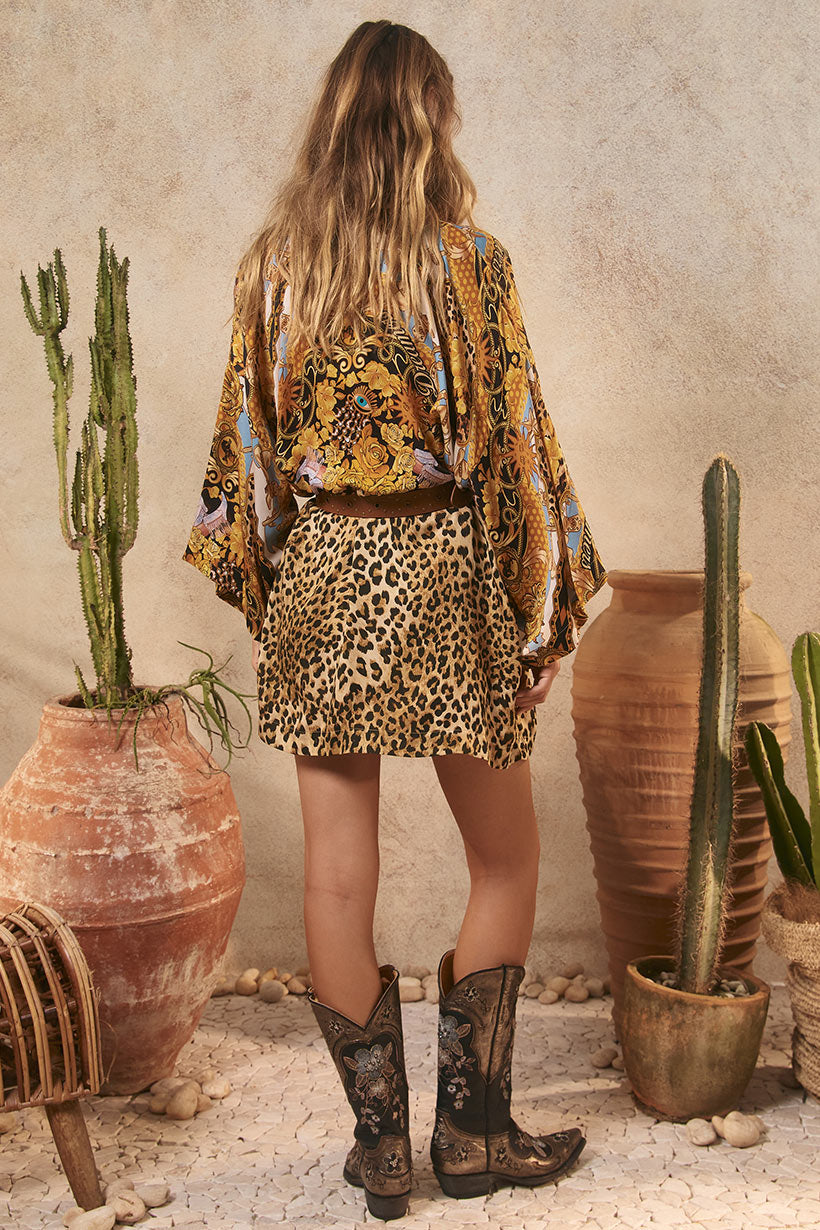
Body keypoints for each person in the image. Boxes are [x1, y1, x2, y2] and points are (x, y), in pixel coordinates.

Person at [182, 19, 608, 1222]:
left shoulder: (276, 269)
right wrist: (540, 614)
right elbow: (515, 445)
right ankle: (472, 1136)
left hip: (325, 573)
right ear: (431, 121)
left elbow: (248, 452)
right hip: (444, 568)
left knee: (333, 877)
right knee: (505, 856)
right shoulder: (470, 263)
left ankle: (380, 1155)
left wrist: (274, 590)